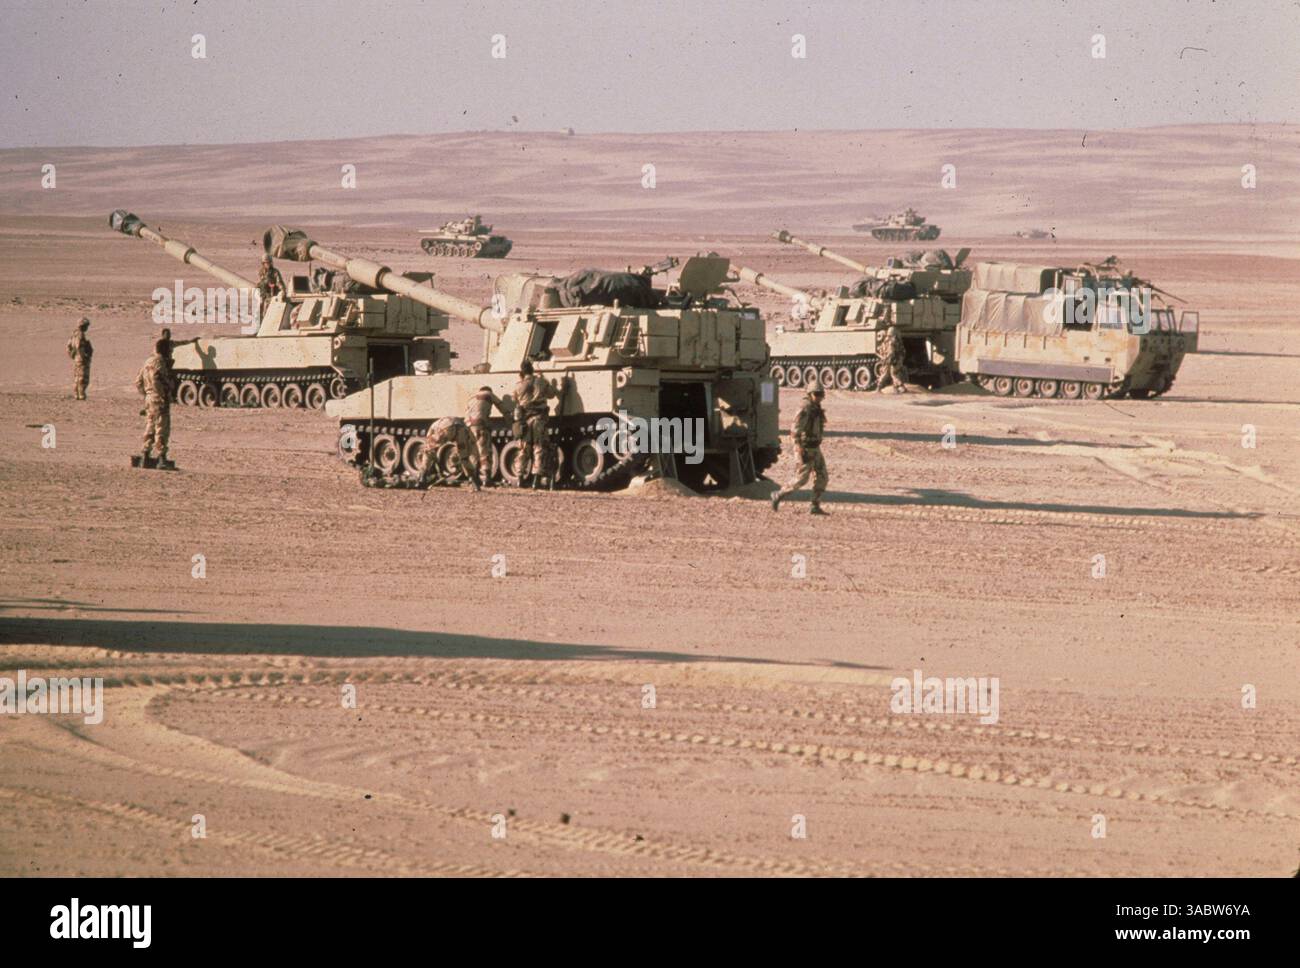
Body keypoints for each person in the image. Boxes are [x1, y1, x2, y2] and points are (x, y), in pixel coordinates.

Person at [771, 385, 829, 515]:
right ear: (810, 394)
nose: (819, 397)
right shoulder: (805, 408)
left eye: (821, 394)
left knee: (822, 477)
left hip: (815, 447)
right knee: (801, 478)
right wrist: (799, 449)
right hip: (805, 448)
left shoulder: (815, 407)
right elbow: (794, 431)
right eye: (816, 394)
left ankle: (815, 505)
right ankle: (779, 494)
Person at [513, 360, 560, 488]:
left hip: (525, 420)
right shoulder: (541, 381)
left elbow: (514, 399)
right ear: (532, 369)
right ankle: (536, 480)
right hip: (539, 419)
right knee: (539, 448)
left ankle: (520, 478)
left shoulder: (518, 385)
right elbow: (551, 394)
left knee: (523, 449)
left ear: (522, 371)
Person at [136, 338, 176, 468]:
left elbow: (138, 382)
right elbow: (157, 379)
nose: (171, 352)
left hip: (149, 399)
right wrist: (163, 394)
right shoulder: (160, 363)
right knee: (161, 428)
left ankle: (145, 456)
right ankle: (161, 458)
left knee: (150, 426)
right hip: (159, 399)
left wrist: (147, 395)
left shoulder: (147, 362)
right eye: (169, 350)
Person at [419, 416, 481, 491]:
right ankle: (474, 482)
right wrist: (470, 469)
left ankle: (422, 478)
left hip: (440, 426)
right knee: (464, 457)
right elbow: (470, 454)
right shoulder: (467, 432)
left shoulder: (432, 429)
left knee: (428, 451)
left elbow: (428, 449)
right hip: (456, 428)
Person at [465, 386, 505, 486]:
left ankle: (473, 478)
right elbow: (501, 406)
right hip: (481, 426)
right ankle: (487, 479)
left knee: (473, 453)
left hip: (469, 428)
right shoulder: (488, 394)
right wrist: (509, 417)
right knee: (485, 452)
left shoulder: (471, 398)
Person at [876, 325, 908, 393]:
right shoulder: (898, 341)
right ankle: (898, 387)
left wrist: (888, 359)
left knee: (891, 373)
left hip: (892, 360)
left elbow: (891, 352)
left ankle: (879, 387)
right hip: (897, 360)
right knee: (893, 373)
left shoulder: (891, 342)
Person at [66, 318, 93, 400]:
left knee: (77, 378)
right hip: (81, 360)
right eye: (86, 326)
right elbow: (79, 347)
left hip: (77, 359)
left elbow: (68, 347)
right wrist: (84, 357)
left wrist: (73, 356)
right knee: (83, 378)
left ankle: (77, 395)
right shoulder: (80, 335)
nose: (87, 328)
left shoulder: (74, 334)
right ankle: (81, 395)